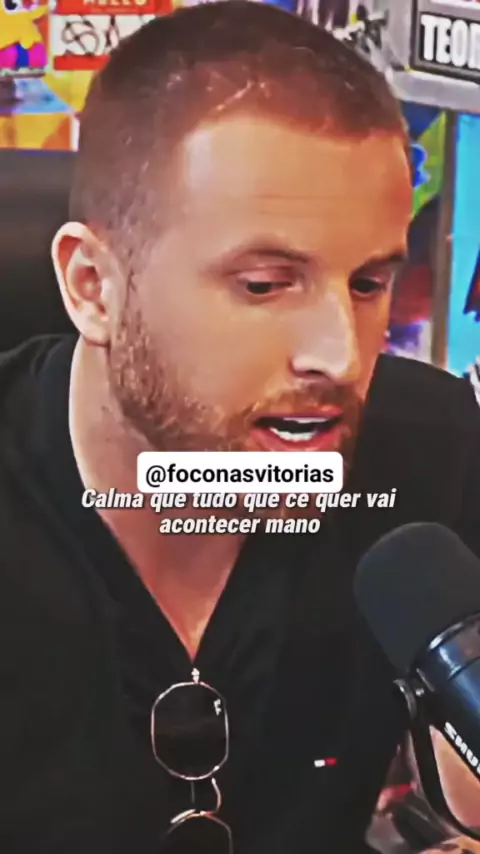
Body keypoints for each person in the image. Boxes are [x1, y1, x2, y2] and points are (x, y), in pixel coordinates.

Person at [0, 3, 479, 853]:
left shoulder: (432, 449)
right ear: (93, 287)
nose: (341, 357)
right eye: (264, 285)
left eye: (368, 285)